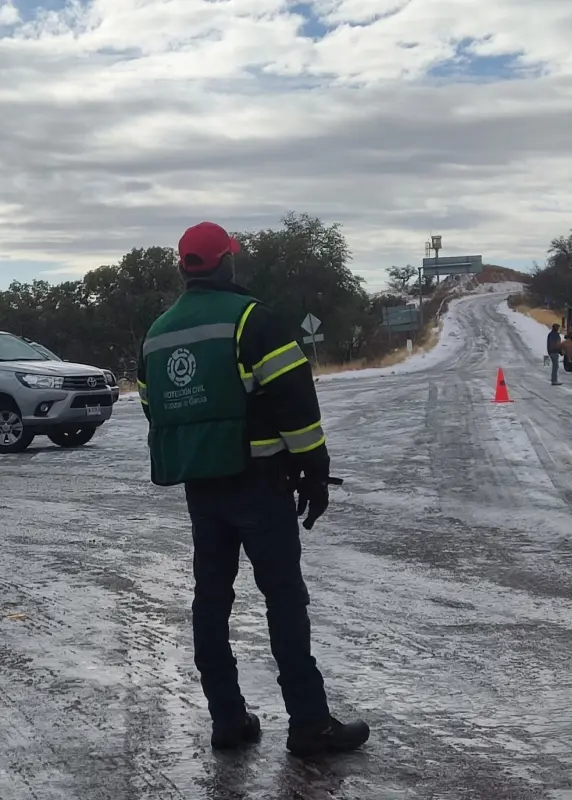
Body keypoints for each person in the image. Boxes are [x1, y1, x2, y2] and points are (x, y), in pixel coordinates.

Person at [136, 221, 370, 758]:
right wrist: (314, 471)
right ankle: (309, 724)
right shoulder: (252, 320)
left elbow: (154, 406)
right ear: (227, 262)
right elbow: (296, 403)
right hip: (261, 484)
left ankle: (228, 720)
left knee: (211, 599)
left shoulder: (158, 333)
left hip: (202, 488)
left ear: (184, 268)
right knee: (284, 597)